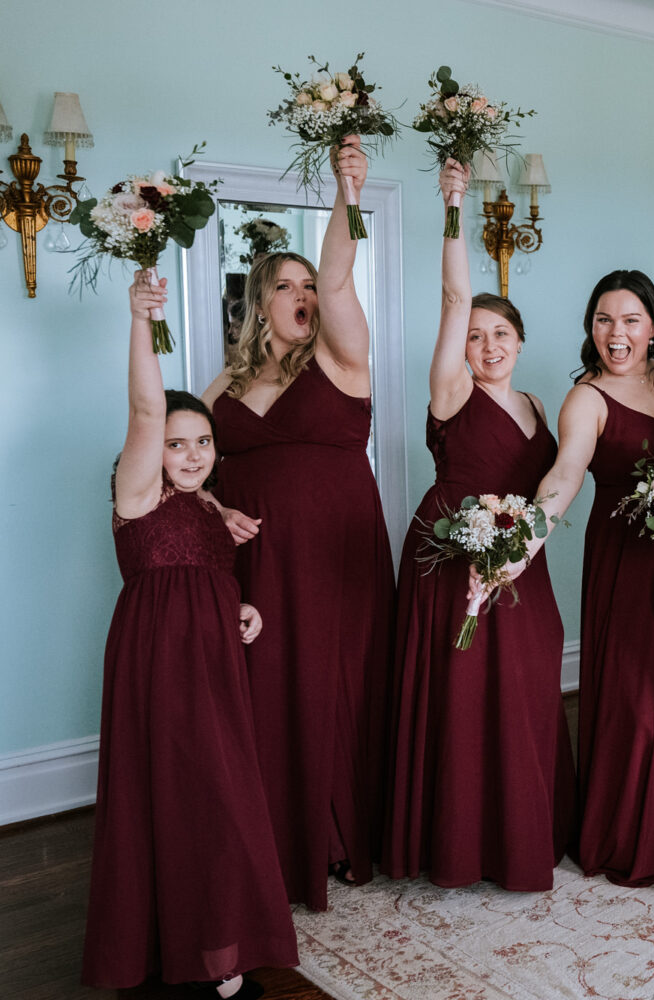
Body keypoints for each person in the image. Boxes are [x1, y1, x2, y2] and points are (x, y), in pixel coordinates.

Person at [82, 272, 296, 998]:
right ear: (150, 452)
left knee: (218, 798)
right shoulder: (135, 493)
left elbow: (212, 576)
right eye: (178, 445)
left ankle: (214, 943)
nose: (195, 453)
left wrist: (243, 610)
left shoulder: (207, 504)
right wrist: (143, 322)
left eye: (203, 442)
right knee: (177, 796)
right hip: (159, 664)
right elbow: (147, 409)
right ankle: (185, 956)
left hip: (213, 661)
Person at [202, 137, 395, 910]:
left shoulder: (344, 359)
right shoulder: (229, 377)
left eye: (309, 283)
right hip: (254, 562)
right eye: (287, 285)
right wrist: (216, 507)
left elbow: (341, 274)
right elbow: (185, 461)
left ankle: (346, 836)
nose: (305, 294)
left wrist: (348, 192)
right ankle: (276, 839)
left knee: (339, 685)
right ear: (260, 300)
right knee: (268, 691)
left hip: (332, 555)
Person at [382, 161, 575, 890]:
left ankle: (523, 830)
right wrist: (455, 205)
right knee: (461, 694)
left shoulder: (536, 402)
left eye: (501, 335)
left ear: (521, 342)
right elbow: (455, 294)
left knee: (523, 683)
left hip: (522, 557)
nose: (487, 346)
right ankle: (459, 843)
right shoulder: (451, 389)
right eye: (475, 336)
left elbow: (554, 485)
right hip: (451, 553)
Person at [524, 270, 654, 886]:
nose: (616, 333)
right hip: (626, 559)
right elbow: (564, 476)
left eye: (630, 319)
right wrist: (521, 545)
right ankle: (631, 834)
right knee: (639, 691)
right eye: (603, 320)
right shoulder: (587, 398)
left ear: (653, 324)